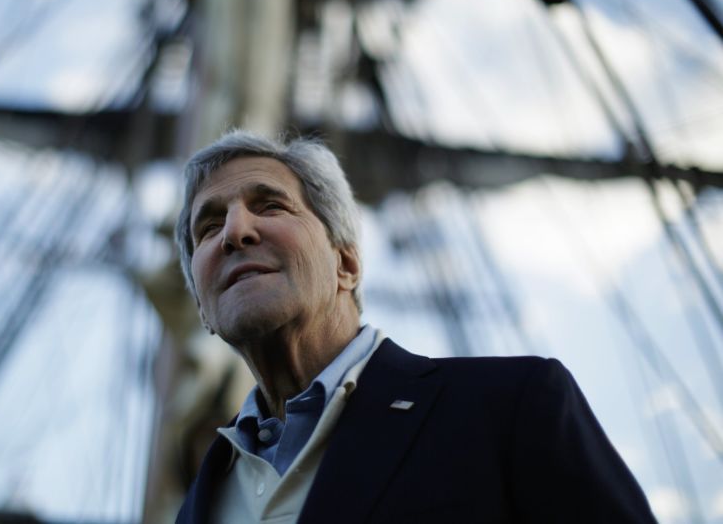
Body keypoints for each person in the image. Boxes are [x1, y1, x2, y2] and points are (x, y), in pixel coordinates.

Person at [173, 130, 656, 523]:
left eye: (271, 206)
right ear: (202, 306)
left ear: (346, 263)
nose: (235, 232)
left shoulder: (512, 407)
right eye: (208, 228)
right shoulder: (200, 497)